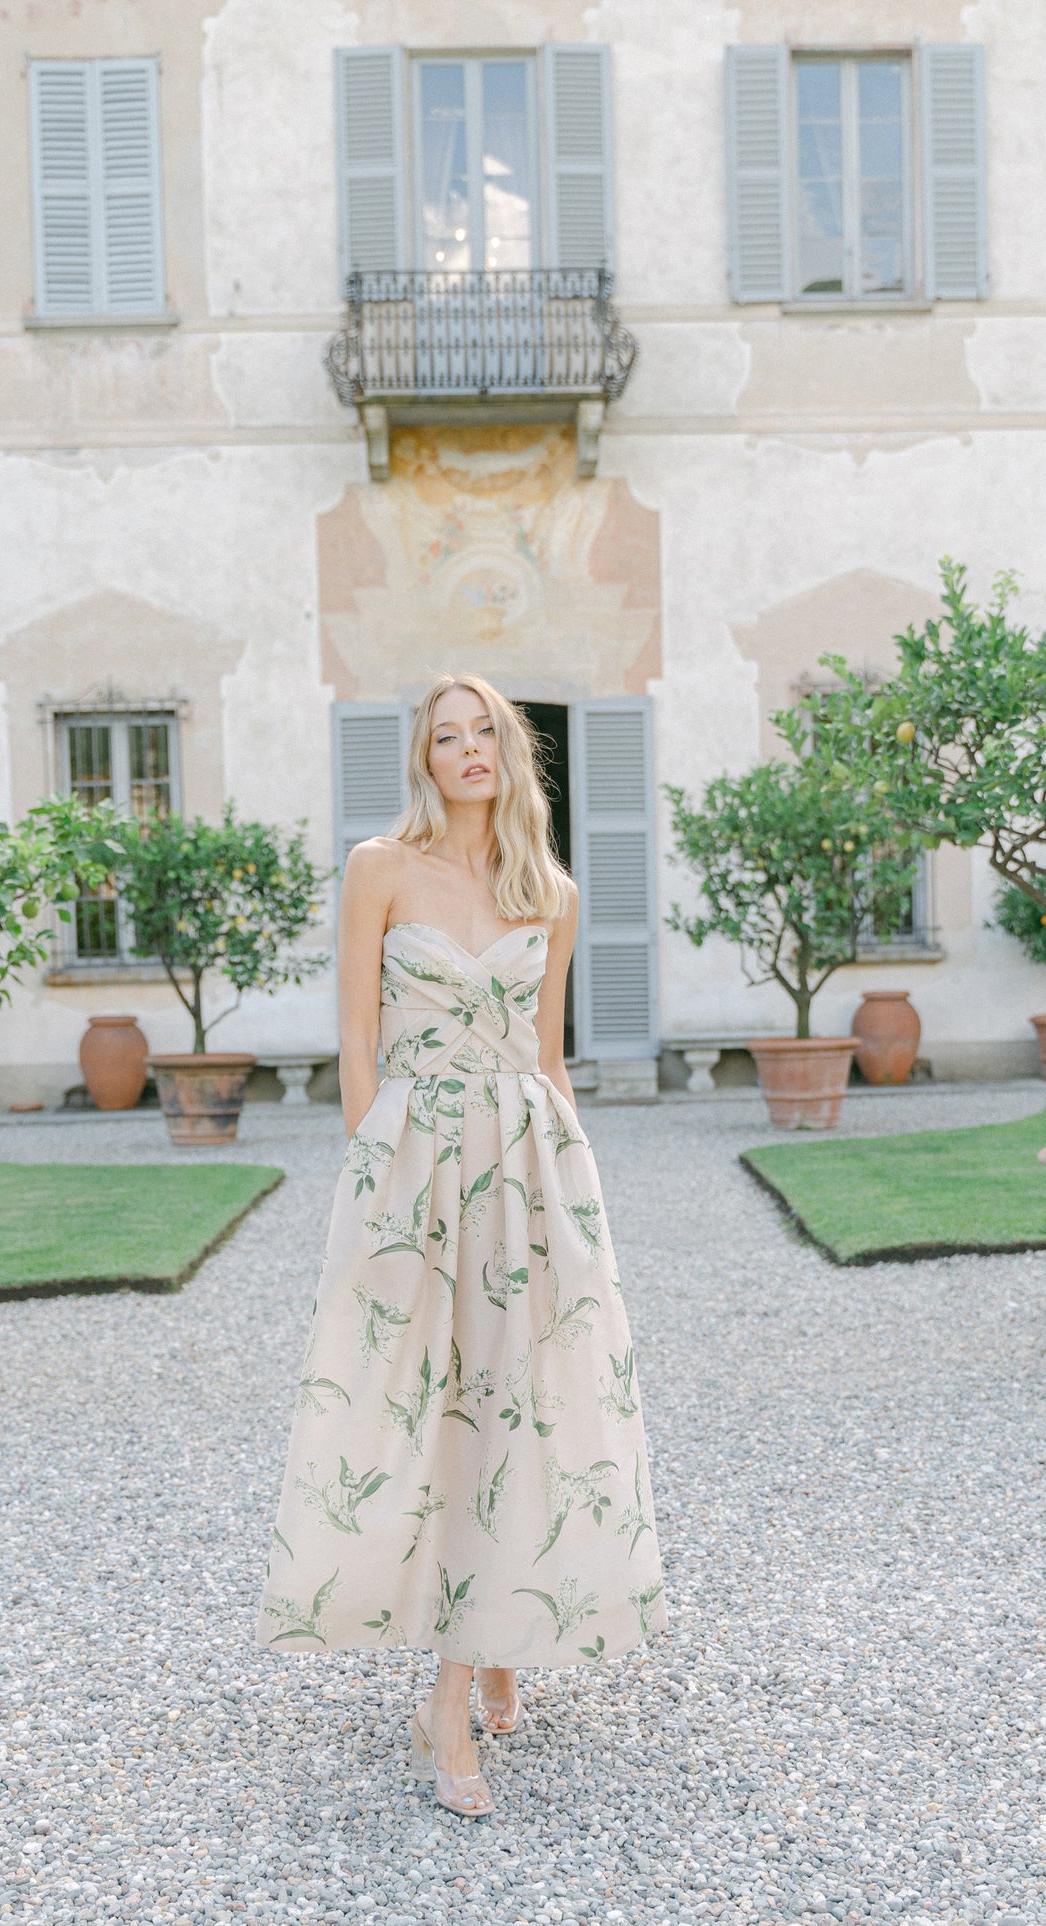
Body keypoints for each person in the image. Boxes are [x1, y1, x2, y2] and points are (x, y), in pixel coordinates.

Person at [257, 674, 666, 1817]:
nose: (468, 749)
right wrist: (371, 1177)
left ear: (508, 750)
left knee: (515, 1400)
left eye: (484, 731)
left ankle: (477, 1657)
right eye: (446, 736)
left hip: (528, 1166)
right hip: (416, 1162)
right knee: (425, 1407)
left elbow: (546, 1056)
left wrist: (575, 1195)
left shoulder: (551, 890)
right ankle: (460, 1682)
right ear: (424, 760)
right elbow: (354, 1039)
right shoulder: (379, 868)